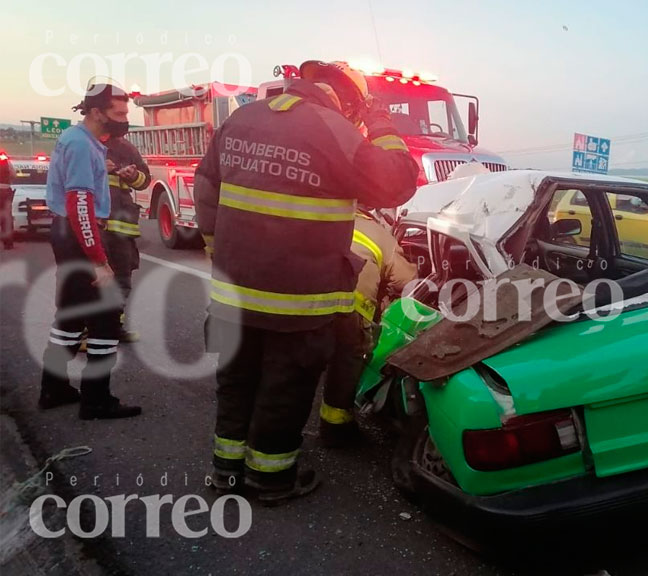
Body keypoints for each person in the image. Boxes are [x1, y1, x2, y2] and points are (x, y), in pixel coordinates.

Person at [195, 60, 418, 504]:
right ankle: (272, 479)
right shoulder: (335, 130)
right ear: (349, 101)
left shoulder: (243, 119)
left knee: (237, 381)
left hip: (233, 292)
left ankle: (226, 473)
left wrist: (216, 249)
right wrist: (380, 122)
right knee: (284, 387)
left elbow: (206, 185)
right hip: (297, 301)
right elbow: (397, 182)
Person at [38, 81, 142, 419]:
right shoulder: (82, 145)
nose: (124, 118)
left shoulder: (82, 139)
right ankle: (96, 400)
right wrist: (98, 261)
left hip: (68, 234)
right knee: (107, 318)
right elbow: (80, 204)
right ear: (96, 112)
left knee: (70, 315)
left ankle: (53, 389)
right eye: (119, 112)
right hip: (78, 236)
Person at [319, 209, 418, 446]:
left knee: (298, 365)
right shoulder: (381, 235)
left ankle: (279, 429)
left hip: (307, 300)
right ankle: (336, 429)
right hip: (350, 310)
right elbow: (407, 281)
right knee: (345, 364)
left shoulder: (330, 216)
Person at [101, 134, 151, 342]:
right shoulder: (83, 143)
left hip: (122, 228)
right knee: (92, 280)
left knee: (122, 279)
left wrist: (132, 175)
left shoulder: (126, 148)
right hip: (95, 226)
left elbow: (144, 180)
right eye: (119, 114)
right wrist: (98, 168)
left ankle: (113, 326)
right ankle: (88, 329)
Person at [0, 150, 13, 250]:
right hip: (5, 191)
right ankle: (8, 243)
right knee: (6, 217)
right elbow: (14, 174)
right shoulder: (7, 162)